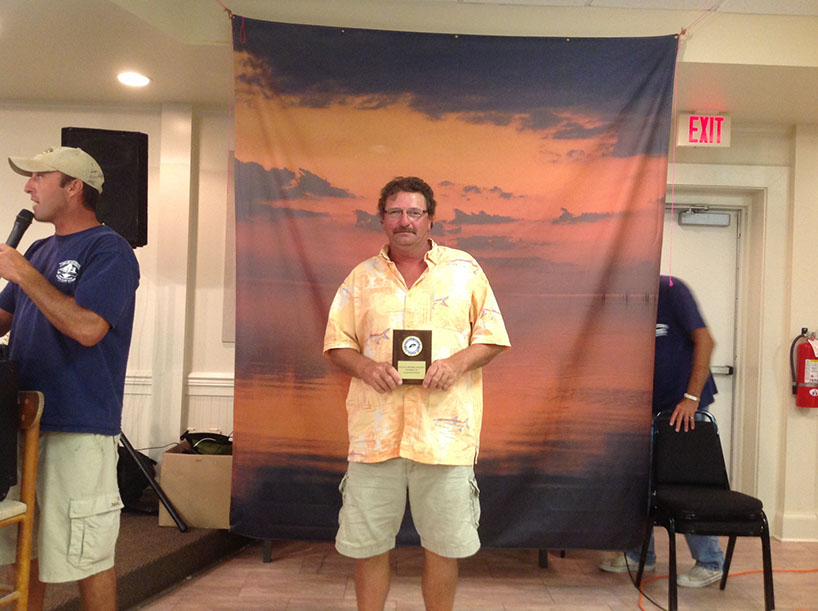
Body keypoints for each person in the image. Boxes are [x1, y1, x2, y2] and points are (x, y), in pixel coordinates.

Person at [323, 176, 510, 610]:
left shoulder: (465, 270)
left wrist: (456, 364)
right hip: (375, 437)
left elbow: (492, 337)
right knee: (368, 547)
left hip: (444, 438)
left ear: (430, 218)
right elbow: (336, 343)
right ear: (382, 219)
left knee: (443, 548)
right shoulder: (361, 278)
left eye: (413, 212)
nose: (404, 221)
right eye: (395, 212)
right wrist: (366, 367)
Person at [0, 146, 140, 610]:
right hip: (21, 423)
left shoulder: (110, 250)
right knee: (23, 550)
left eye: (39, 177)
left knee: (88, 554)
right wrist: (23, 272)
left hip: (77, 427)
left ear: (74, 187)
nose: (28, 187)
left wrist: (24, 274)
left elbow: (87, 328)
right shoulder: (39, 250)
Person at [599, 275, 725, 588]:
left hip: (682, 410)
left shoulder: (671, 290)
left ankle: (710, 562)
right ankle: (640, 555)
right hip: (643, 410)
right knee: (636, 485)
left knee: (688, 486)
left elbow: (706, 341)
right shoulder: (623, 301)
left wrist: (691, 398)